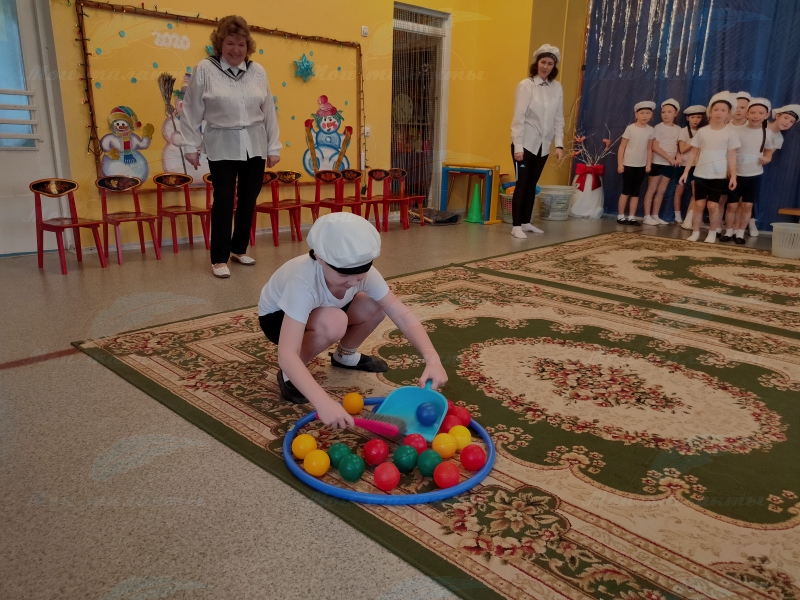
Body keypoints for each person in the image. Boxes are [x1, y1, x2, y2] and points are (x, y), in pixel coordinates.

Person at [256, 213, 448, 429]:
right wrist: (323, 403)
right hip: (278, 318)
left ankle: (345, 357)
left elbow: (401, 314)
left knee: (376, 303)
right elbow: (286, 353)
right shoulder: (302, 280)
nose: (353, 282)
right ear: (319, 257)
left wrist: (433, 360)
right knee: (334, 321)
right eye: (344, 274)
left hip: (324, 309)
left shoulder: (362, 274)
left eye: (360, 275)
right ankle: (289, 376)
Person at [181, 15, 281, 278]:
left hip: (254, 143)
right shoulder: (205, 69)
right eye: (230, 43)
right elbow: (191, 109)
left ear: (248, 46)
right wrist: (191, 146)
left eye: (241, 44)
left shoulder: (257, 71)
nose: (236, 49)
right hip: (222, 142)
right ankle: (219, 257)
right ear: (220, 44)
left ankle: (239, 248)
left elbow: (269, 110)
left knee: (249, 197)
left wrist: (273, 146)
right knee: (224, 199)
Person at [509, 43, 565, 239]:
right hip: (525, 144)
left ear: (554, 66)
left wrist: (559, 144)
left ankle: (526, 222)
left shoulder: (557, 88)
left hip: (543, 146)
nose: (546, 66)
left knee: (532, 184)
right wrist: (518, 146)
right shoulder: (526, 85)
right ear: (537, 63)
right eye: (543, 62)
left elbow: (558, 118)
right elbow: (518, 117)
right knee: (522, 183)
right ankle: (516, 225)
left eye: (550, 63)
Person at [679, 92, 740, 243]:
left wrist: (733, 176)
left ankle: (712, 233)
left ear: (728, 114)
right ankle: (695, 232)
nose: (719, 113)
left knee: (713, 205)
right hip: (700, 173)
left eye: (723, 110)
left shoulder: (730, 133)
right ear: (710, 112)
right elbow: (693, 152)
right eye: (716, 109)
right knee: (699, 204)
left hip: (718, 176)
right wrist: (686, 172)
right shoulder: (702, 131)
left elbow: (732, 155)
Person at [725, 98, 774, 244]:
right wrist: (730, 169)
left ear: (767, 115)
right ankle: (728, 231)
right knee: (732, 205)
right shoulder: (737, 131)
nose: (756, 116)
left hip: (754, 175)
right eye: (752, 112)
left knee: (747, 205)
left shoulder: (767, 133)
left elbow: (769, 150)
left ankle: (740, 233)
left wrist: (767, 158)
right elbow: (730, 152)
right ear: (747, 113)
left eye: (760, 113)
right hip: (736, 174)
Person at [642, 99, 681, 225]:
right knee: (651, 189)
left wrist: (678, 156)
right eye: (663, 112)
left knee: (661, 191)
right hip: (658, 163)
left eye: (669, 112)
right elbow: (655, 146)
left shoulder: (678, 129)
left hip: (669, 165)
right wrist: (669, 158)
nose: (666, 114)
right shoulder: (658, 128)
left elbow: (678, 146)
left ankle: (655, 215)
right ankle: (647, 216)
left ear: (676, 113)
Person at [616, 101, 655, 226]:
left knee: (636, 192)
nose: (645, 115)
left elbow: (649, 148)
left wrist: (648, 163)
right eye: (642, 113)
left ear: (651, 115)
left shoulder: (650, 130)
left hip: (641, 165)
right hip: (628, 164)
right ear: (636, 115)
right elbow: (622, 147)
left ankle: (632, 216)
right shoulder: (630, 128)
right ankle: (621, 215)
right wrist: (620, 164)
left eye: (647, 113)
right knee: (626, 190)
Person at [676, 105, 705, 225]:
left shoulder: (702, 131)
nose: (696, 120)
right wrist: (694, 141)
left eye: (698, 117)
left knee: (696, 193)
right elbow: (682, 149)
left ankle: (691, 218)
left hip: (696, 166)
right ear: (687, 118)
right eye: (693, 117)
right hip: (684, 165)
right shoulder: (684, 131)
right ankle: (677, 216)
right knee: (679, 191)